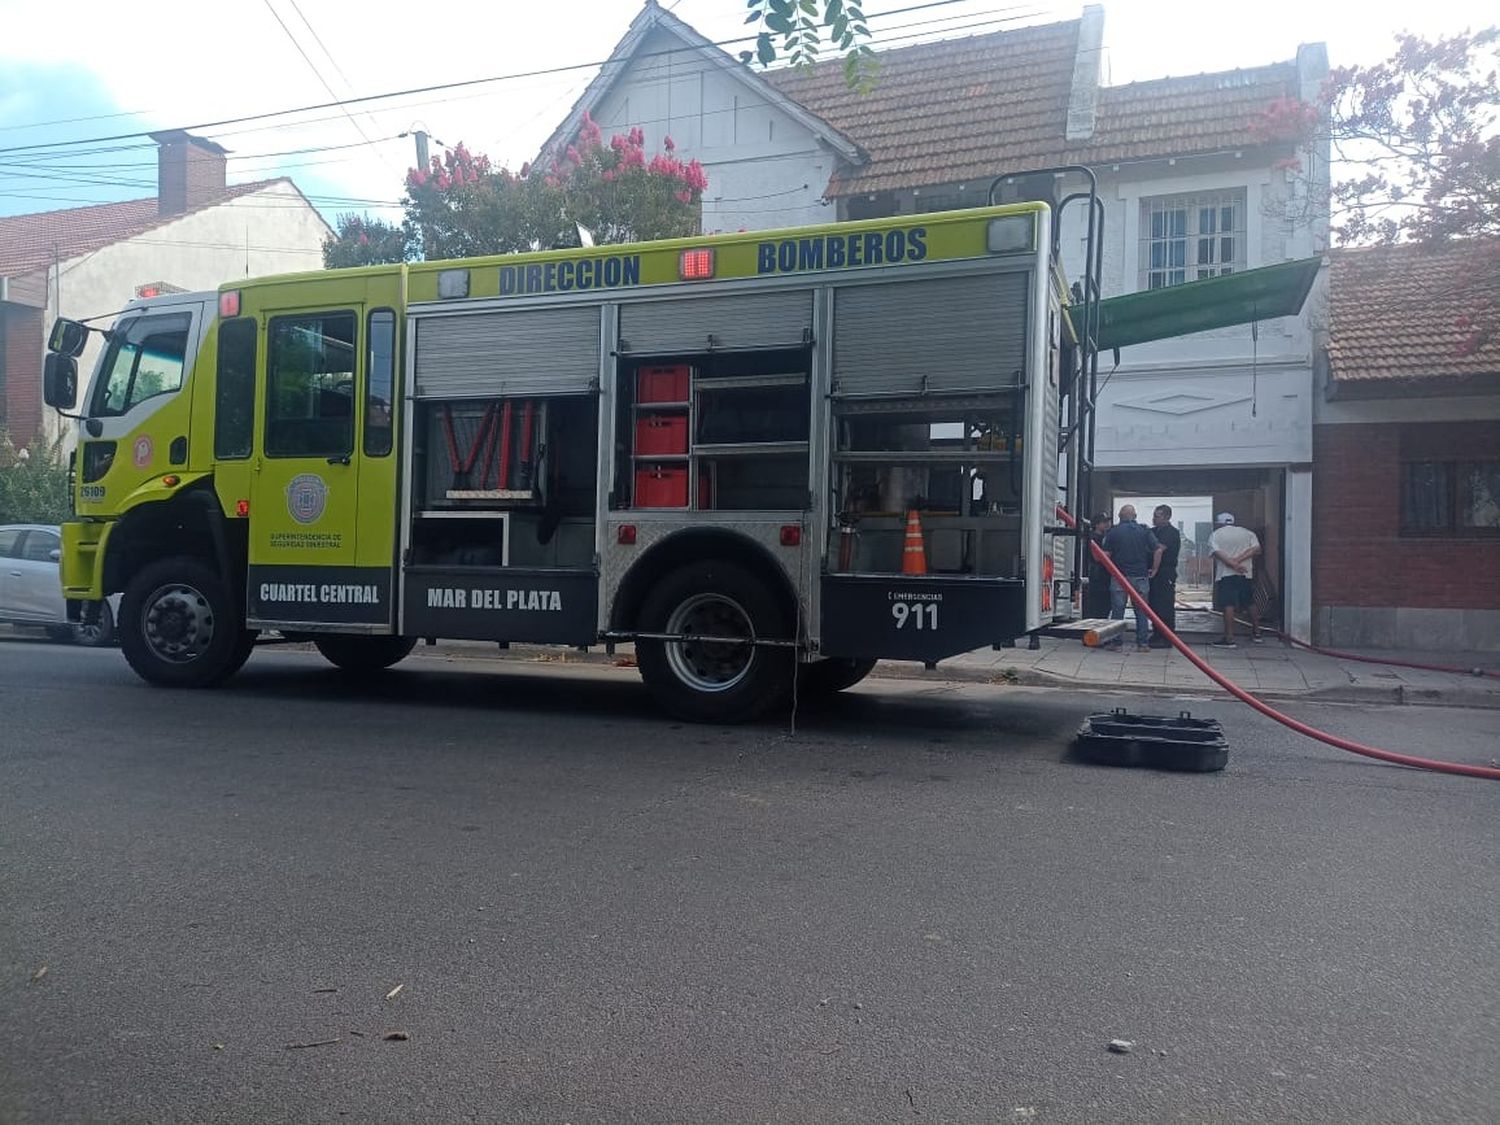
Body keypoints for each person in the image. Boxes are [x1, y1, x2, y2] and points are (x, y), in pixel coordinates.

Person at [1100, 503, 1164, 652]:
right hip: (1141, 577)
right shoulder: (1144, 531)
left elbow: (1106, 555)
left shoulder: (1113, 532)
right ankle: (1142, 644)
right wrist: (1154, 569)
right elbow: (1158, 550)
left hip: (1119, 577)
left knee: (1117, 612)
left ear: (1120, 517)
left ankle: (1116, 644)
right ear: (1134, 516)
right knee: (1141, 612)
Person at [1208, 512, 1262, 647]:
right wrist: (1239, 562)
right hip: (1246, 574)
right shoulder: (1248, 533)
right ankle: (1257, 633)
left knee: (1228, 605)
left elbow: (1217, 553)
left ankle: (1229, 638)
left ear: (1219, 523)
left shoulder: (1216, 534)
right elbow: (1256, 549)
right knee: (1250, 602)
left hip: (1226, 575)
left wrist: (1232, 564)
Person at [1147, 504, 1181, 648]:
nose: (1154, 518)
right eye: (1154, 515)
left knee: (1164, 604)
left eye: (1158, 516)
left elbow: (1159, 550)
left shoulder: (1171, 532)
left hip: (1165, 572)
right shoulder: (1153, 531)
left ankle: (1166, 637)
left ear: (1167, 517)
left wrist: (1155, 568)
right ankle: (1156, 633)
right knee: (1153, 604)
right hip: (1152, 573)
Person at [1081, 513, 1113, 620]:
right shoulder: (1093, 538)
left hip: (1104, 575)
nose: (1107, 524)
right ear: (1097, 524)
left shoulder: (1105, 537)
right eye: (1104, 522)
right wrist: (1110, 553)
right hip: (1097, 575)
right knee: (1098, 604)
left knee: (1105, 604)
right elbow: (1097, 557)